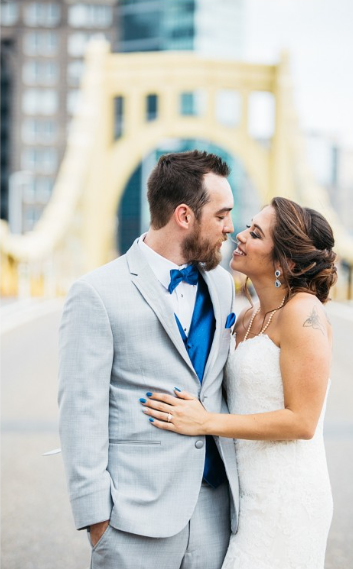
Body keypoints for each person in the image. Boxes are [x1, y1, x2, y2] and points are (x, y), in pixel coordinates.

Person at [58, 150, 241, 569]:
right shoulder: (96, 293)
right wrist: (96, 520)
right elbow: (79, 411)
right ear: (184, 216)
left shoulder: (223, 284)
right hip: (132, 520)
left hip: (215, 512)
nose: (231, 227)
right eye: (222, 215)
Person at [141, 197, 338, 569]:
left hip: (287, 498)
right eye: (249, 226)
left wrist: (205, 422)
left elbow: (302, 421)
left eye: (256, 234)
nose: (240, 235)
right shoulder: (247, 316)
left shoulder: (304, 312)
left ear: (287, 262)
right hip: (244, 494)